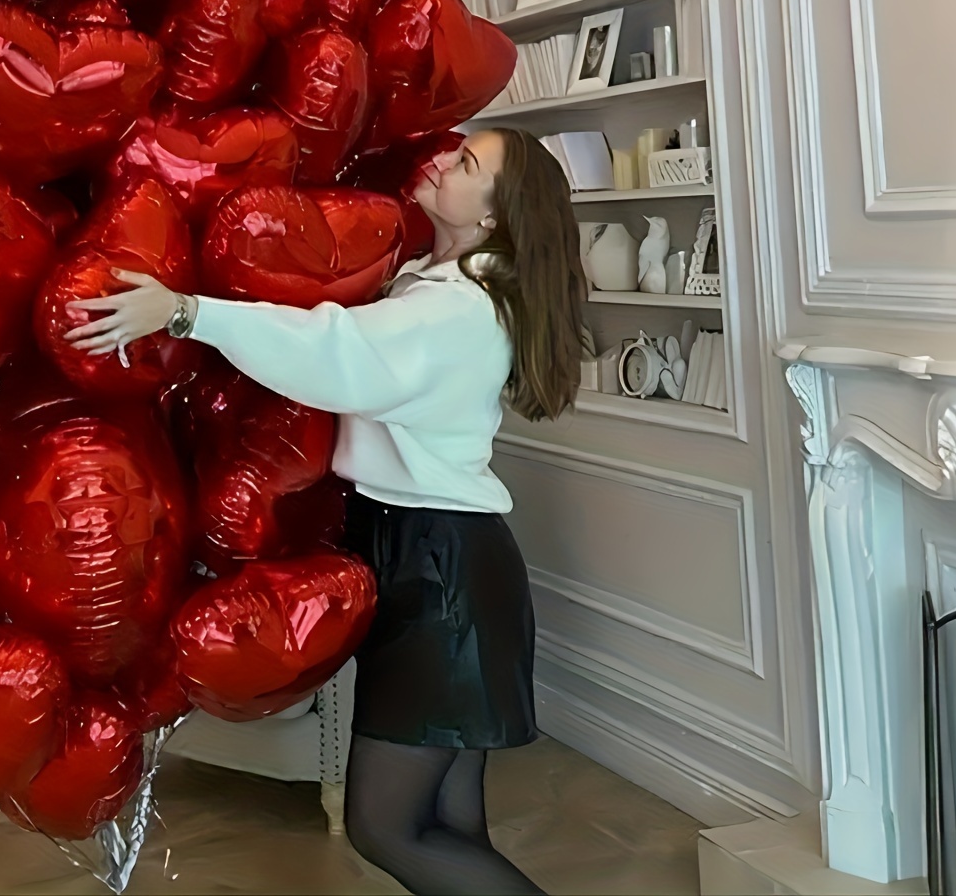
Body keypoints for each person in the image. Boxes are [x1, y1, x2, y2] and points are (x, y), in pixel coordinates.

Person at [66, 127, 588, 895]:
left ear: (493, 218)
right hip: (437, 561)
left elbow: (335, 351)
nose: (443, 158)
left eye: (467, 164)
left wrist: (184, 312)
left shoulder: (457, 313)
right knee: (446, 825)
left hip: (441, 573)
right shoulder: (433, 284)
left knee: (385, 827)